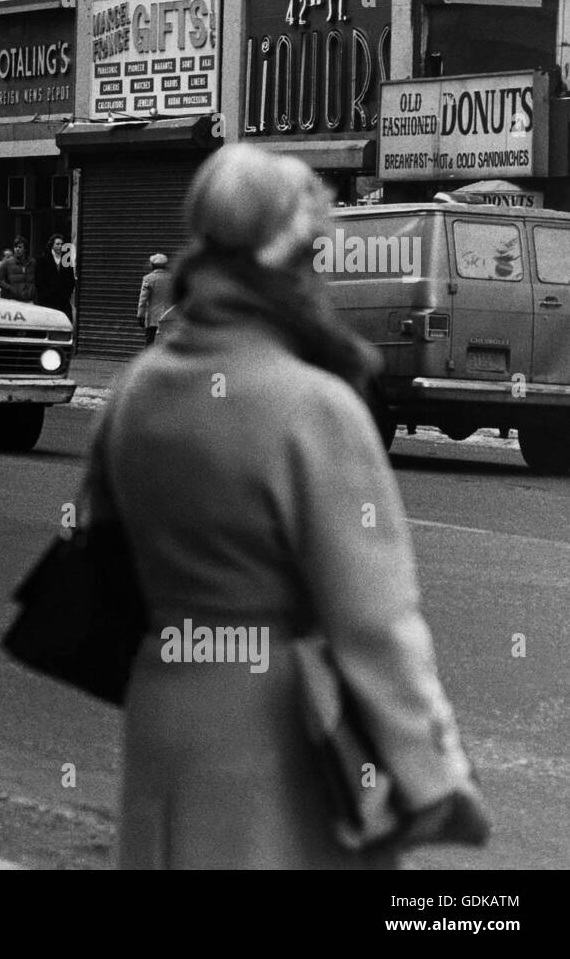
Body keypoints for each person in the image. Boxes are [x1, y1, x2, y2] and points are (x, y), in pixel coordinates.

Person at [87, 143, 486, 869]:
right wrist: (432, 775)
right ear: (293, 256)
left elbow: (99, 560)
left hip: (165, 704)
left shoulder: (136, 392)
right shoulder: (315, 406)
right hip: (281, 724)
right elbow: (373, 621)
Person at [35, 233, 75, 323]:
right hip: (48, 300)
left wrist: (67, 293)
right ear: (52, 245)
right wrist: (45, 294)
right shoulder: (43, 260)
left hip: (63, 300)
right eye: (57, 244)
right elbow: (39, 280)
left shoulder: (66, 260)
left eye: (62, 244)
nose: (60, 246)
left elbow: (71, 279)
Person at [136, 252, 174, 346]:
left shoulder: (148, 279)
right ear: (165, 265)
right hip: (168, 318)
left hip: (153, 319)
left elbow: (143, 300)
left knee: (150, 344)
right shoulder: (172, 278)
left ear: (152, 265)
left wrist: (140, 315)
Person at [0, 235, 35, 303]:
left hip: (29, 299)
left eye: (20, 247)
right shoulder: (7, 263)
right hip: (14, 299)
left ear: (25, 249)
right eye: (15, 247)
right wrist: (11, 288)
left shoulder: (32, 262)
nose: (17, 249)